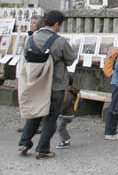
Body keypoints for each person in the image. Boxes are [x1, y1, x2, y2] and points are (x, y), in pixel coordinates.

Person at [18, 10, 77, 159]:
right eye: (60, 25)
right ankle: (42, 149)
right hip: (55, 84)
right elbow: (70, 60)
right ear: (57, 24)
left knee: (35, 113)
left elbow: (26, 56)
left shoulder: (31, 39)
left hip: (36, 83)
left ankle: (24, 143)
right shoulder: (60, 41)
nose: (60, 28)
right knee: (51, 118)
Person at [16, 14, 44, 134]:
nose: (31, 25)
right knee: (27, 98)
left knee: (35, 98)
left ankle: (37, 125)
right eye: (31, 22)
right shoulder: (30, 36)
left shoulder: (39, 38)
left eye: (34, 23)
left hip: (35, 70)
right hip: (26, 69)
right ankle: (29, 125)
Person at [56, 75, 80, 149]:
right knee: (61, 127)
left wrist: (58, 111)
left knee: (60, 128)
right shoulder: (71, 91)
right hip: (69, 113)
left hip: (65, 114)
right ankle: (64, 140)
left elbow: (64, 103)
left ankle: (66, 141)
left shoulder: (67, 92)